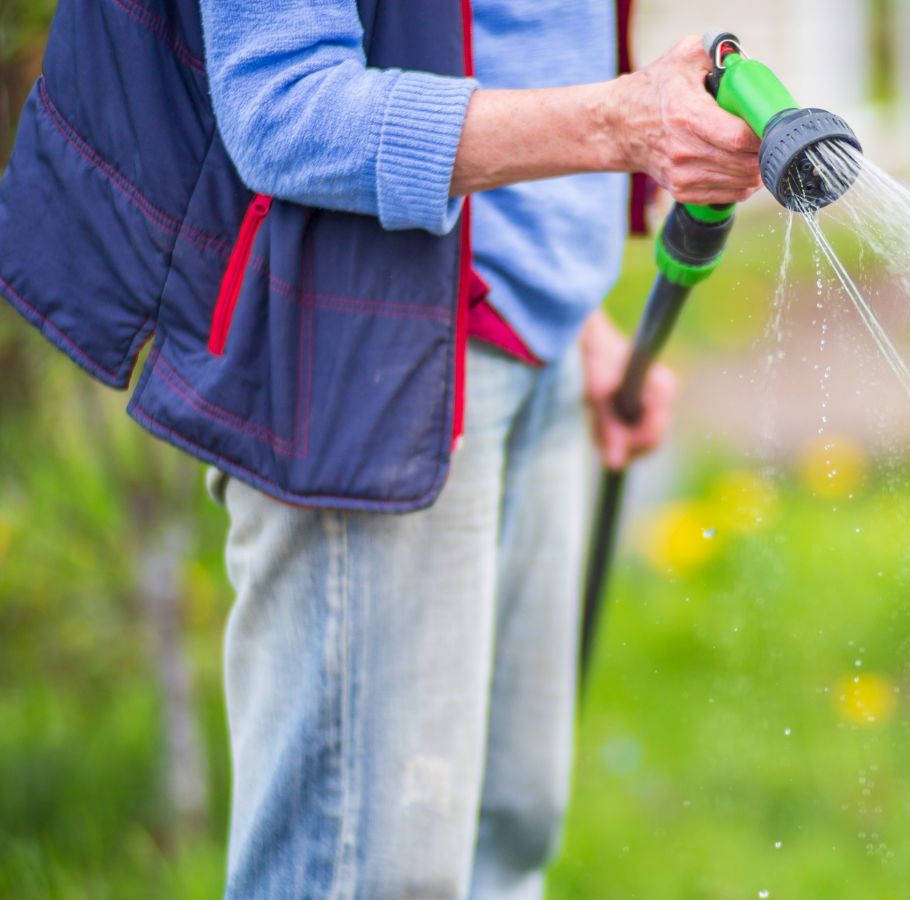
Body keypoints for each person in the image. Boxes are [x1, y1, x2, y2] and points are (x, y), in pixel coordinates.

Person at [0, 0, 760, 896]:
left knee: (504, 839)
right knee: (366, 872)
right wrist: (621, 124)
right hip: (365, 361)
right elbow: (285, 106)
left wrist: (574, 308)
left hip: (536, 338)